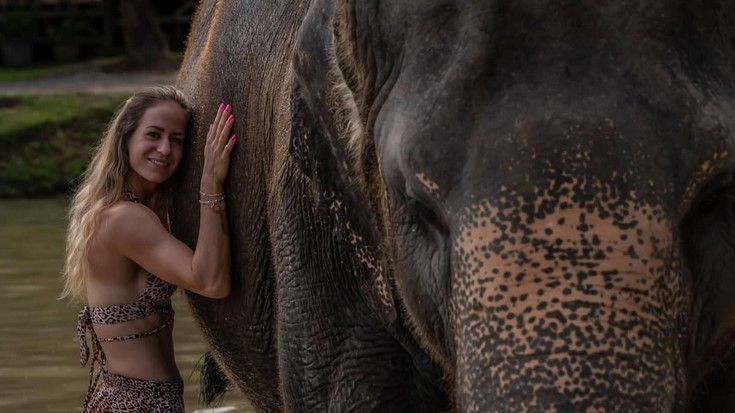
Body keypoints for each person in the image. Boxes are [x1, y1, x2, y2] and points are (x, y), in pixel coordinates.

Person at [61, 85, 237, 412]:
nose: (165, 149)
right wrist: (211, 184)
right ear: (126, 139)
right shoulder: (125, 220)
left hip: (130, 400)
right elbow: (211, 281)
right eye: (153, 135)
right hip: (140, 404)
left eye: (177, 140)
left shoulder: (115, 211)